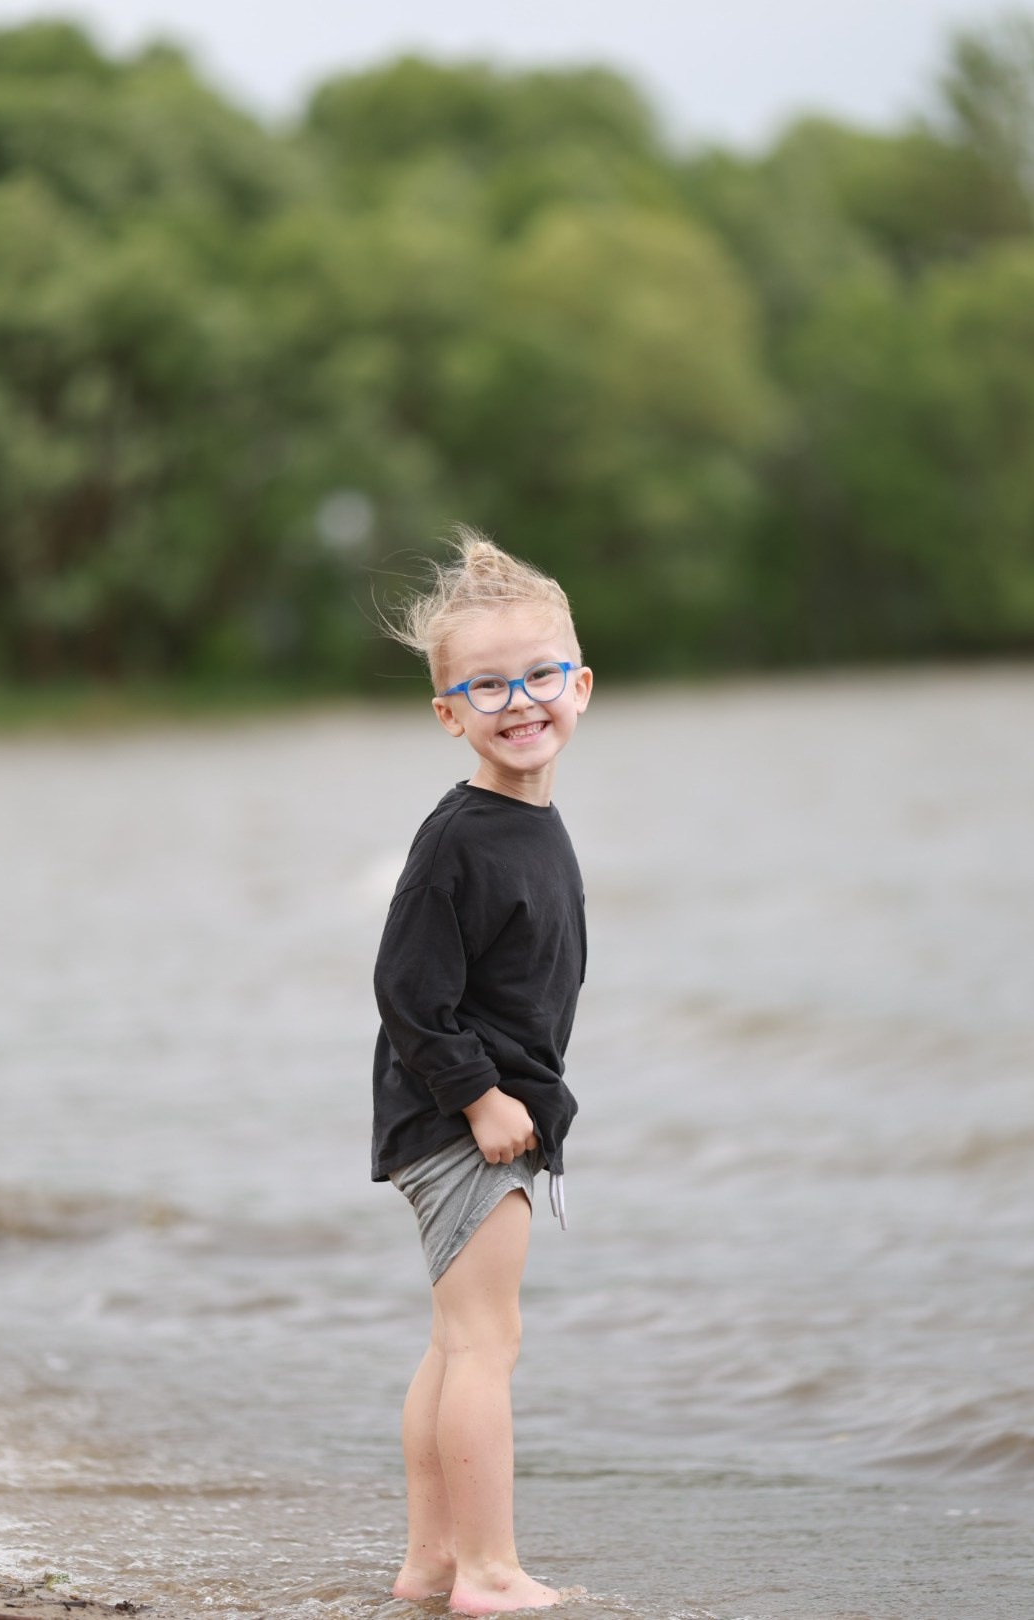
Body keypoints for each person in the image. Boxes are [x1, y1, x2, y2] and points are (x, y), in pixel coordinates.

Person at [371, 527, 593, 1615]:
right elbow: (408, 990)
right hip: (463, 1122)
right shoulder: (459, 836)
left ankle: (430, 1565)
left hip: (482, 1119)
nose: (520, 701)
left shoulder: (530, 820)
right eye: (487, 685)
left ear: (581, 686)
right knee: (483, 1345)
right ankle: (489, 1571)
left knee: (454, 1343)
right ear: (449, 711)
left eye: (540, 675)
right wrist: (484, 1096)